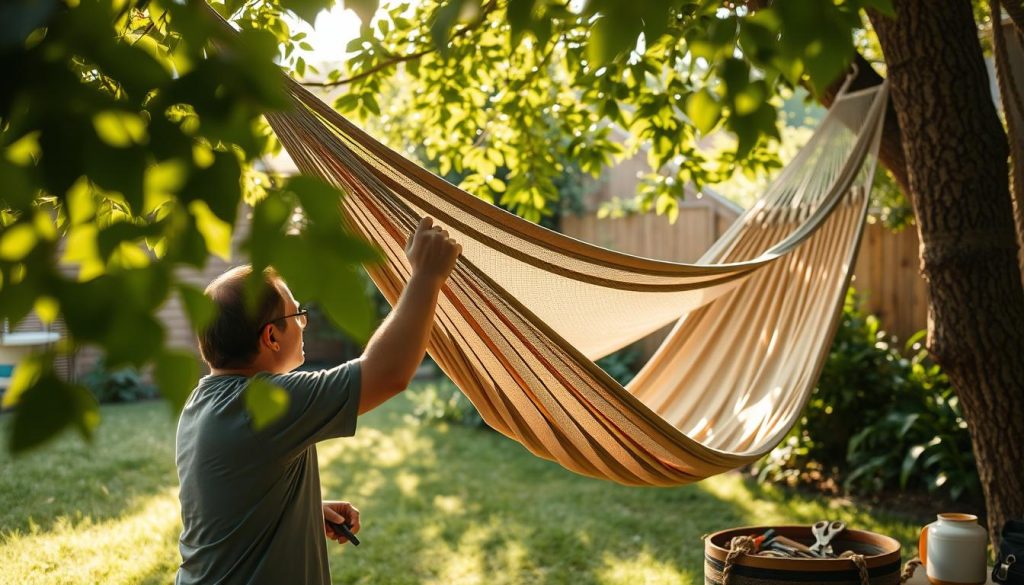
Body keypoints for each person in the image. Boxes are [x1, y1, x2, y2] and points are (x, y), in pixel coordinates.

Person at [175, 216, 461, 584]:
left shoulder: (202, 402)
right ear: (271, 337)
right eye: (297, 314)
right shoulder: (264, 406)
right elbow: (388, 373)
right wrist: (427, 275)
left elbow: (229, 498)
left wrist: (302, 511)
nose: (305, 322)